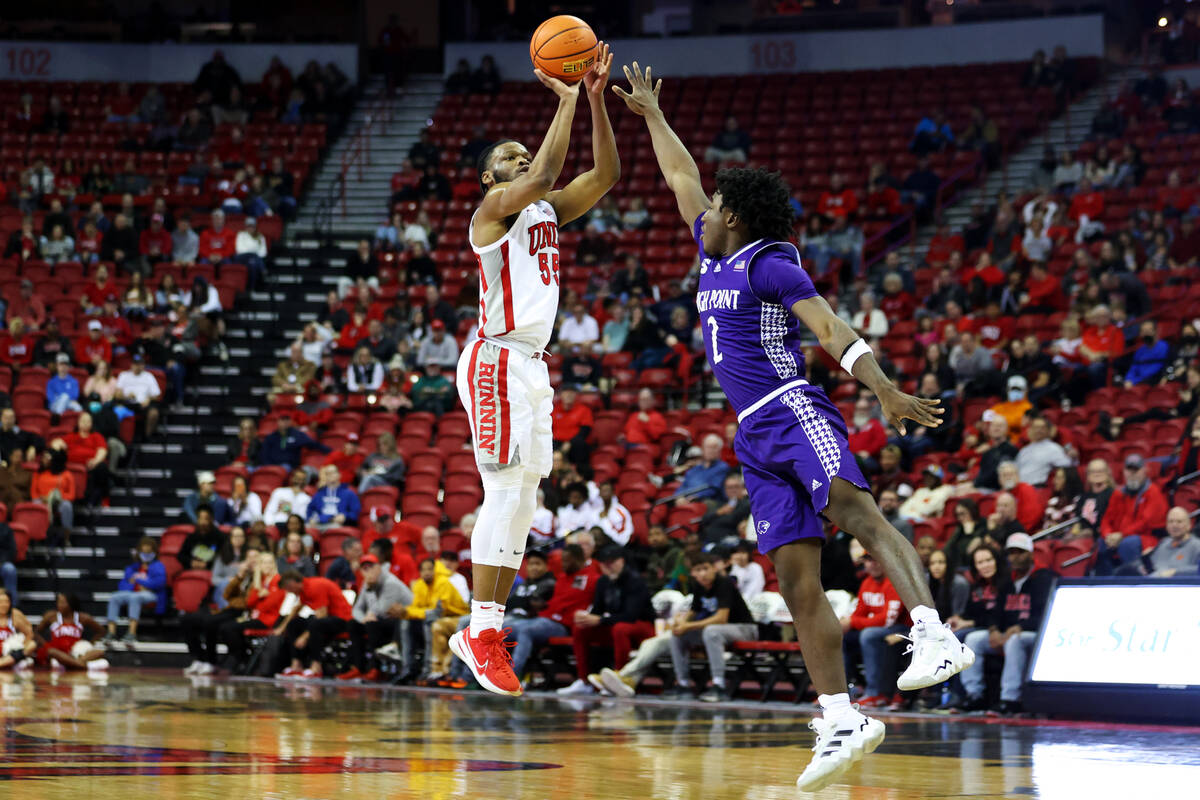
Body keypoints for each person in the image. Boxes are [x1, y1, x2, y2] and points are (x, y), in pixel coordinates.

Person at [614, 62, 971, 790]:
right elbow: (682, 177)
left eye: (716, 206)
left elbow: (832, 328)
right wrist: (651, 113)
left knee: (858, 512)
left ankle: (935, 633)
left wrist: (884, 388)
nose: (702, 210)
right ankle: (840, 716)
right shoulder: (712, 251)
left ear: (737, 218)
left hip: (791, 407)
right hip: (752, 435)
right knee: (796, 581)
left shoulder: (771, 264)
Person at [449, 45, 619, 699]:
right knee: (501, 492)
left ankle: (486, 633)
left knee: (525, 497)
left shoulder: (545, 211)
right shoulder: (492, 214)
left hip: (532, 365)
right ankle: (481, 630)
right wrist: (567, 97)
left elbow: (604, 172)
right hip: (495, 356)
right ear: (491, 180)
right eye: (508, 162)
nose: (523, 165)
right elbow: (548, 168)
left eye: (524, 157)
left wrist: (597, 100)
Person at [957, 534, 1053, 714]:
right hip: (1007, 633)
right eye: (1011, 553)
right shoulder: (1007, 580)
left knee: (1015, 640)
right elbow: (996, 611)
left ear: (1031, 554)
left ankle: (1010, 699)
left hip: (1036, 634)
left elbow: (1046, 614)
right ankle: (974, 694)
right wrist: (993, 630)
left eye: (1020, 552)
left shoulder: (1043, 577)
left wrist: (1021, 627)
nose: (1015, 557)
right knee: (973, 639)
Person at [556, 545, 655, 696]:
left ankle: (619, 678)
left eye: (612, 562)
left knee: (620, 628)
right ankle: (584, 680)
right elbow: (598, 611)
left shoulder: (636, 581)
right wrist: (585, 617)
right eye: (604, 563)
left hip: (642, 626)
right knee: (581, 628)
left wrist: (600, 620)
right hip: (615, 624)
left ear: (621, 561)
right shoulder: (602, 582)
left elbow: (631, 615)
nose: (608, 566)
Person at [840, 550, 907, 708]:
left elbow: (888, 619)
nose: (872, 564)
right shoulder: (867, 582)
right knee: (840, 636)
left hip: (903, 629)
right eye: (869, 560)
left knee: (869, 635)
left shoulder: (894, 581)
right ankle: (841, 692)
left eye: (876, 559)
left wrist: (852, 621)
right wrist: (847, 623)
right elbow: (859, 613)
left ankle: (875, 692)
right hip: (879, 628)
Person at [337, 554, 412, 682]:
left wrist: (369, 615)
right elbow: (356, 609)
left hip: (404, 621)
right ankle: (359, 667)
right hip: (381, 620)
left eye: (371, 567)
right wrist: (363, 619)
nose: (368, 571)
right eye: (365, 569)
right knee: (353, 624)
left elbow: (382, 609)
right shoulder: (367, 585)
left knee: (372, 625)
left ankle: (376, 669)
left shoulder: (390, 582)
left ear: (379, 568)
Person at [1097, 454, 1168, 575]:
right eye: (1129, 470)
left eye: (1136, 470)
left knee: (1128, 544)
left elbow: (1146, 522)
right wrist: (1108, 535)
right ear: (1124, 471)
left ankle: (1134, 579)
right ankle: (1106, 582)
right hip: (1119, 537)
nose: (1132, 473)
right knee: (1101, 542)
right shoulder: (1118, 493)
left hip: (1147, 538)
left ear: (1144, 471)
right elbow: (1106, 519)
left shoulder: (1153, 492)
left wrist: (1121, 535)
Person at [275, 571, 355, 679]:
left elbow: (322, 614)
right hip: (327, 619)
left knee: (315, 624)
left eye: (287, 589)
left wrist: (304, 637)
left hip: (343, 620)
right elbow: (296, 609)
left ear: (292, 584)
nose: (289, 592)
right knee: (295, 624)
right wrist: (282, 627)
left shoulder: (315, 586)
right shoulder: (303, 590)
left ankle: (316, 667)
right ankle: (296, 665)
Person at [103, 536, 168, 645]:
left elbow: (160, 583)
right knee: (114, 597)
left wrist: (139, 582)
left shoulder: (158, 566)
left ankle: (132, 633)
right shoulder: (132, 568)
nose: (146, 555)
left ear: (154, 552)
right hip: (135, 592)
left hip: (152, 594)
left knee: (135, 597)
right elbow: (123, 585)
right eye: (144, 552)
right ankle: (111, 632)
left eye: (149, 552)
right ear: (139, 552)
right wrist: (138, 585)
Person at [36, 592, 108, 672]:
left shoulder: (82, 617)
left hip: (75, 650)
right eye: (58, 602)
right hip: (58, 651)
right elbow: (36, 632)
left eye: (63, 602)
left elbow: (101, 631)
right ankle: (82, 665)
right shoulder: (51, 616)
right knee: (51, 651)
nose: (59, 605)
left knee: (100, 652)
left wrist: (91, 643)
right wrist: (45, 645)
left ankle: (74, 664)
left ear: (71, 604)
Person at [1016, 416, 1072, 486]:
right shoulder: (1024, 450)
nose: (1038, 430)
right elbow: (1016, 470)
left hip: (1038, 488)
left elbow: (1067, 465)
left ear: (1048, 431)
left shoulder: (1053, 448)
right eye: (1035, 427)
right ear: (1030, 430)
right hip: (1021, 488)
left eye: (1042, 428)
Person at [1147, 507, 1200, 577]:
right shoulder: (1163, 543)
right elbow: (1150, 568)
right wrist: (1145, 559)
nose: (1174, 525)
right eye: (1171, 521)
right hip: (1152, 584)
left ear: (1189, 525)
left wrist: (1176, 572)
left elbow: (1197, 569)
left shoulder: (1197, 546)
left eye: (1179, 521)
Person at [0, 588, 37, 670]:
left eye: (7, 601)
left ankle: (5, 662)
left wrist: (20, 646)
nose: (4, 605)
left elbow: (29, 633)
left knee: (32, 645)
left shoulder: (15, 615)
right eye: (1, 602)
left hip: (10, 654)